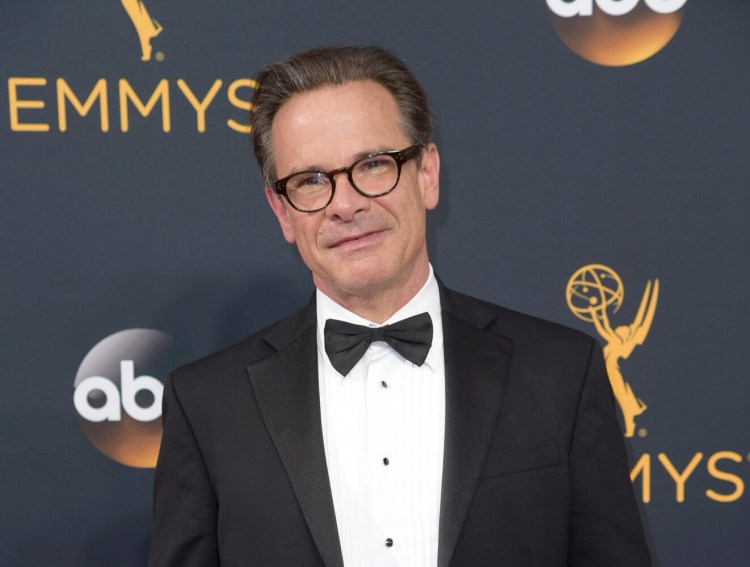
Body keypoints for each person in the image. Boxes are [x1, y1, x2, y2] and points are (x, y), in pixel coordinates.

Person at [148, 46, 651, 567]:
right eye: (312, 181)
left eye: (372, 165)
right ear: (281, 210)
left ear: (427, 174)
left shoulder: (561, 373)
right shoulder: (208, 403)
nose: (345, 205)